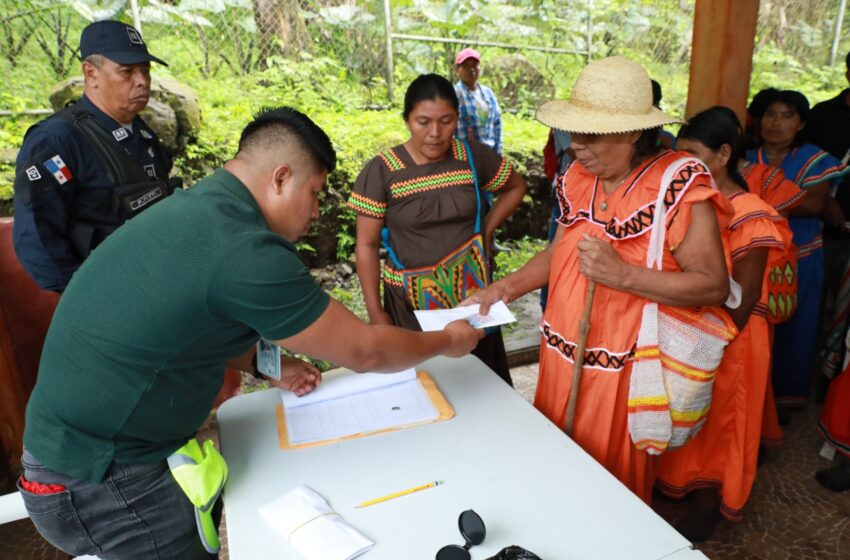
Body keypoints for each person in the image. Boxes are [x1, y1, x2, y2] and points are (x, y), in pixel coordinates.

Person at [18, 107, 484, 559]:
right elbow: (364, 349)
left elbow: (193, 320)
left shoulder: (197, 210)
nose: (317, 211)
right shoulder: (243, 249)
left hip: (75, 455)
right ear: (280, 178)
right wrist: (448, 341)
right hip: (100, 477)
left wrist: (271, 365)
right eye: (315, 192)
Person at [467, 56, 733, 502]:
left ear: (631, 132)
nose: (575, 146)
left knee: (609, 485)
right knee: (555, 465)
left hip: (626, 369)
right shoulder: (577, 178)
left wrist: (623, 275)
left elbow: (712, 286)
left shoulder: (677, 184)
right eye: (574, 133)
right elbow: (559, 253)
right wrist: (502, 289)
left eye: (590, 135)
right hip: (560, 354)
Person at [654, 107, 792, 541]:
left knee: (722, 420)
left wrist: (704, 343)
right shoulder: (692, 202)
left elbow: (746, 296)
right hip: (694, 327)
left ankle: (709, 502)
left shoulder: (750, 212)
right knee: (687, 410)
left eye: (692, 155)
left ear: (724, 154)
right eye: (679, 155)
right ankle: (681, 486)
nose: (682, 164)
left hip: (732, 335)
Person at [348, 74, 526, 385]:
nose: (435, 133)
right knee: (424, 384)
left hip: (471, 296)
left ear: (458, 117)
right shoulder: (382, 171)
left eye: (446, 121)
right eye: (423, 122)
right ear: (406, 121)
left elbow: (515, 185)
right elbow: (365, 246)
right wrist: (376, 314)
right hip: (409, 304)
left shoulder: (471, 157)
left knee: (481, 382)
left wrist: (486, 229)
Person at [13, 20, 178, 293]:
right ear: (91, 74)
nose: (142, 81)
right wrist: (90, 299)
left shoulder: (142, 131)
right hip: (105, 294)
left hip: (156, 278)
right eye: (127, 71)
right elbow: (37, 242)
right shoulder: (57, 142)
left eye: (145, 70)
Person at [745, 89, 849, 421]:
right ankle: (750, 396)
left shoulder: (813, 158)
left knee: (796, 328)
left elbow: (816, 204)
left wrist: (758, 202)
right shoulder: (745, 157)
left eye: (787, 116)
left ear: (801, 123)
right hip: (752, 256)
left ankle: (783, 401)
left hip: (800, 258)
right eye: (770, 114)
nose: (776, 123)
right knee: (753, 327)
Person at [808, 50, 850, 380]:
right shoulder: (824, 115)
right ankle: (818, 376)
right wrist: (827, 203)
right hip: (823, 229)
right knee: (820, 305)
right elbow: (810, 167)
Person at [453, 48, 502, 154]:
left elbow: (497, 124)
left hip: (488, 154)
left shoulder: (488, 93)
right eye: (465, 66)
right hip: (464, 157)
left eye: (475, 65)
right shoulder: (452, 95)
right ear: (457, 70)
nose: (471, 69)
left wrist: (497, 153)